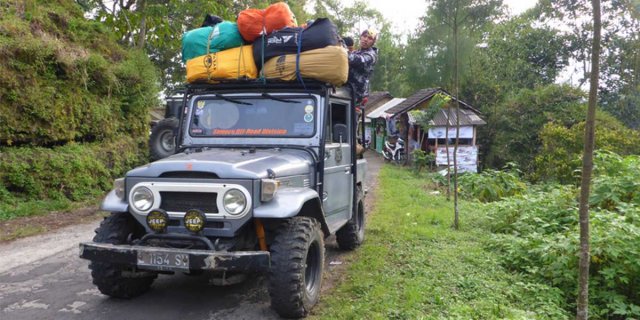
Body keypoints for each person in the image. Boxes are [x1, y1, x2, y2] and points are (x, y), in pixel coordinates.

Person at [348, 29, 379, 113]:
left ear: (373, 42)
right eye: (364, 36)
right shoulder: (355, 52)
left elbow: (357, 60)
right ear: (360, 37)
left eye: (369, 38)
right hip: (347, 89)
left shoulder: (371, 55)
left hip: (356, 94)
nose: (366, 39)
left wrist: (342, 52)